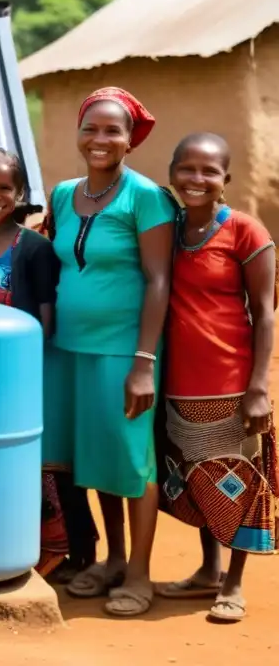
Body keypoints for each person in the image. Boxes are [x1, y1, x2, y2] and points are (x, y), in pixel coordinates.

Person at [42, 87, 175, 617]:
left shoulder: (145, 197)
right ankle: (114, 558)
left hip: (124, 351)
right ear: (78, 132)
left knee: (132, 458)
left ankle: (140, 572)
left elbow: (159, 279)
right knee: (93, 456)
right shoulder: (62, 194)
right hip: (68, 349)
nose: (100, 139)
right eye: (90, 128)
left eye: (112, 130)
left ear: (130, 139)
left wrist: (144, 363)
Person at [0, 147, 97, 579]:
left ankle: (71, 549)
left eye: (5, 187)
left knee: (44, 461)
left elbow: (46, 320)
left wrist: (15, 366)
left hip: (20, 375)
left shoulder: (34, 249)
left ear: (20, 192)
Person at [155, 133, 277, 623]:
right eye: (187, 169)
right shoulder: (168, 229)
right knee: (198, 482)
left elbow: (266, 313)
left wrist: (259, 387)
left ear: (225, 179)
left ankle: (234, 583)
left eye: (209, 172)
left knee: (239, 483)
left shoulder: (245, 231)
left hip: (231, 385)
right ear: (172, 172)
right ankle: (209, 570)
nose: (197, 180)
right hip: (177, 382)